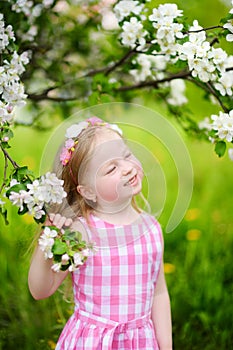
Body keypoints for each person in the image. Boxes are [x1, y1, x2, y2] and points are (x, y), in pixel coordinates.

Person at [28, 116, 172, 350]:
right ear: (88, 192)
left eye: (126, 155)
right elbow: (41, 289)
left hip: (140, 342)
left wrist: (166, 346)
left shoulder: (151, 229)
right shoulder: (82, 232)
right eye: (111, 168)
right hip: (93, 343)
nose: (127, 168)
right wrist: (48, 237)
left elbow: (159, 293)